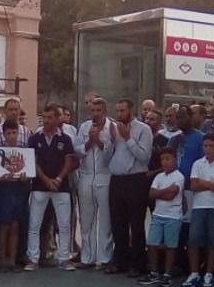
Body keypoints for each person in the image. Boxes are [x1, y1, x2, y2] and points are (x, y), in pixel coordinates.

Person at [25, 105, 76, 272]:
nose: (45, 120)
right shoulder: (34, 138)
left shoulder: (66, 139)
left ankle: (64, 258)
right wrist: (46, 180)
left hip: (61, 187)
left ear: (57, 119)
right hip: (39, 187)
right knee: (35, 224)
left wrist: (59, 179)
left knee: (64, 224)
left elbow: (69, 162)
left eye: (49, 117)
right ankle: (33, 258)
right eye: (44, 117)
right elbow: (34, 162)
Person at [108, 98, 152, 277]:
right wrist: (111, 141)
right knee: (118, 223)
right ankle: (120, 261)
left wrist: (127, 137)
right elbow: (108, 157)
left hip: (136, 180)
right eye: (117, 111)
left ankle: (138, 263)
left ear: (131, 110)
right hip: (116, 180)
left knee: (136, 223)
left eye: (123, 111)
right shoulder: (114, 129)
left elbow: (144, 156)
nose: (119, 114)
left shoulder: (144, 129)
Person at [182, 132, 214, 287]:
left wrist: (204, 182)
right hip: (199, 206)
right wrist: (211, 184)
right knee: (194, 239)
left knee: (213, 241)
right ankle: (194, 272)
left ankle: (209, 273)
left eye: (211, 146)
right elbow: (194, 185)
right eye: (205, 146)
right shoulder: (197, 164)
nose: (208, 149)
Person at [75, 98, 114, 269]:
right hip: (86, 176)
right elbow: (77, 150)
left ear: (104, 111)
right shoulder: (84, 127)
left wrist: (99, 141)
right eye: (93, 111)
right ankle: (87, 257)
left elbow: (112, 154)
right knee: (86, 219)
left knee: (105, 219)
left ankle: (104, 258)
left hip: (105, 176)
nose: (96, 114)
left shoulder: (112, 127)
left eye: (99, 110)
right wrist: (89, 142)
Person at [139, 147, 184, 287]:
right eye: (162, 160)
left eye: (168, 159)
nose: (165, 162)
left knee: (170, 246)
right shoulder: (159, 177)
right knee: (152, 243)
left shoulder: (179, 177)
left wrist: (160, 192)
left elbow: (172, 196)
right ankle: (154, 272)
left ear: (174, 159)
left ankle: (167, 275)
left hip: (173, 216)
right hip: (158, 215)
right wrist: (165, 190)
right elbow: (152, 194)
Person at [0, 119, 29, 273]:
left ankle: (12, 259)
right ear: (4, 134)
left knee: (15, 225)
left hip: (18, 189)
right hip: (4, 190)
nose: (12, 136)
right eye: (8, 133)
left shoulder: (24, 151)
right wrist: (0, 177)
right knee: (4, 225)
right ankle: (2, 258)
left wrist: (25, 178)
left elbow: (28, 174)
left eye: (14, 132)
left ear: (18, 133)